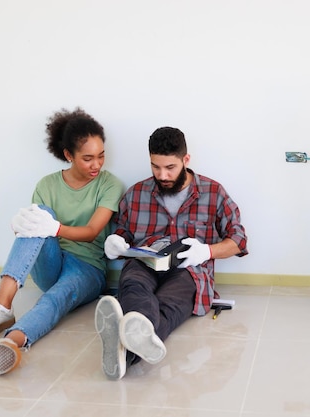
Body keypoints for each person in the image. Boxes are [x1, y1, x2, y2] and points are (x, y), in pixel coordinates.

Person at [0, 108, 123, 375]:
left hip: (87, 268)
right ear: (68, 156)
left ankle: (10, 343)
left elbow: (93, 231)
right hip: (51, 263)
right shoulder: (47, 185)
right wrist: (21, 226)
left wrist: (56, 228)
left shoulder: (109, 185)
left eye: (101, 156)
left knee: (54, 299)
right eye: (87, 158)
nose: (97, 164)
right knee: (40, 213)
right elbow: (36, 235)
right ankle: (2, 306)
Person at [95, 126, 248, 380]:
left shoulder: (213, 192)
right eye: (156, 167)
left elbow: (239, 240)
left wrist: (207, 251)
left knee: (168, 305)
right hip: (145, 261)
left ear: (185, 160)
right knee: (133, 286)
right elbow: (123, 231)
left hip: (190, 270)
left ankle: (122, 350)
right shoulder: (136, 194)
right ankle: (131, 343)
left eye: (170, 167)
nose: (162, 174)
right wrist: (116, 242)